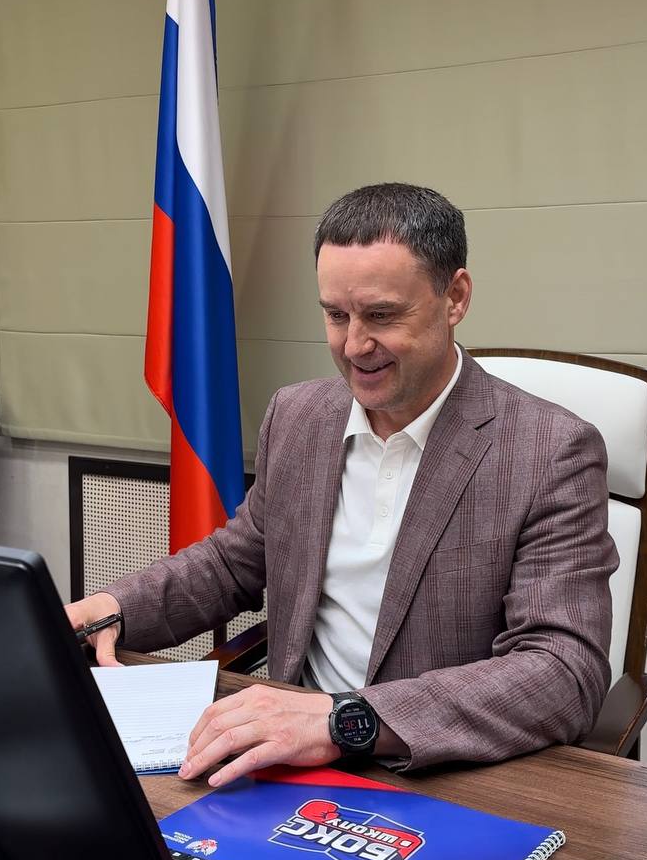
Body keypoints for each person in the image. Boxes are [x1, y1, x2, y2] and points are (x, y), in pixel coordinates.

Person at [67, 183, 617, 786]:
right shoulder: (299, 416)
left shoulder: (549, 451)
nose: (354, 346)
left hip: (439, 771)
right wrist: (115, 609)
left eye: (381, 315)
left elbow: (563, 671)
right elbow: (235, 562)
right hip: (286, 758)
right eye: (336, 315)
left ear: (455, 297)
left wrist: (343, 721)